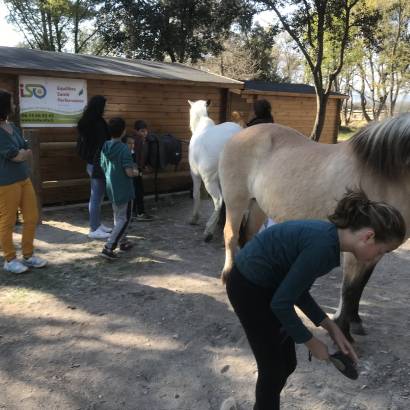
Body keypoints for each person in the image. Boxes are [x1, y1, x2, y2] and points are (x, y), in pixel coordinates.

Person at [225, 189, 406, 410]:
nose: (377, 258)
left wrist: (331, 327)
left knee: (287, 363)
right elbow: (282, 303)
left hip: (267, 286)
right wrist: (312, 342)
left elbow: (296, 291)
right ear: (368, 236)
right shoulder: (323, 248)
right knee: (272, 371)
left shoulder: (329, 241)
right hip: (248, 288)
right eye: (381, 251)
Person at [0, 89, 47, 273]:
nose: (15, 105)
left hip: (23, 178)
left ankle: (28, 255)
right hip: (6, 183)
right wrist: (22, 153)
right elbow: (16, 155)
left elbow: (25, 148)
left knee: (32, 217)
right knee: (7, 221)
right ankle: (9, 259)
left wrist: (22, 153)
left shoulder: (13, 127)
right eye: (12, 102)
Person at [100, 118, 139, 260]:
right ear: (123, 132)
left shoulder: (105, 145)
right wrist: (137, 172)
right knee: (125, 219)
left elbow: (103, 166)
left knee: (118, 216)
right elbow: (129, 172)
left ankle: (123, 241)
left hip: (112, 187)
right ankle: (109, 247)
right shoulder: (124, 149)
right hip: (124, 189)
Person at [77, 95, 112, 239]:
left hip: (91, 163)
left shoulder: (85, 121)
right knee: (97, 196)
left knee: (97, 195)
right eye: (104, 106)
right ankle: (93, 228)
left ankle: (97, 224)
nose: (106, 108)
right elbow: (104, 142)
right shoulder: (97, 123)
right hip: (98, 163)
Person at [131, 120, 153, 222]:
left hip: (138, 170)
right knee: (138, 191)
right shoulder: (136, 141)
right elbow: (135, 156)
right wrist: (138, 168)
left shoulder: (144, 140)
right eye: (141, 131)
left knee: (138, 191)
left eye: (145, 131)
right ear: (136, 131)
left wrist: (144, 166)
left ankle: (136, 212)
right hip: (134, 171)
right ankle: (140, 213)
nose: (144, 133)